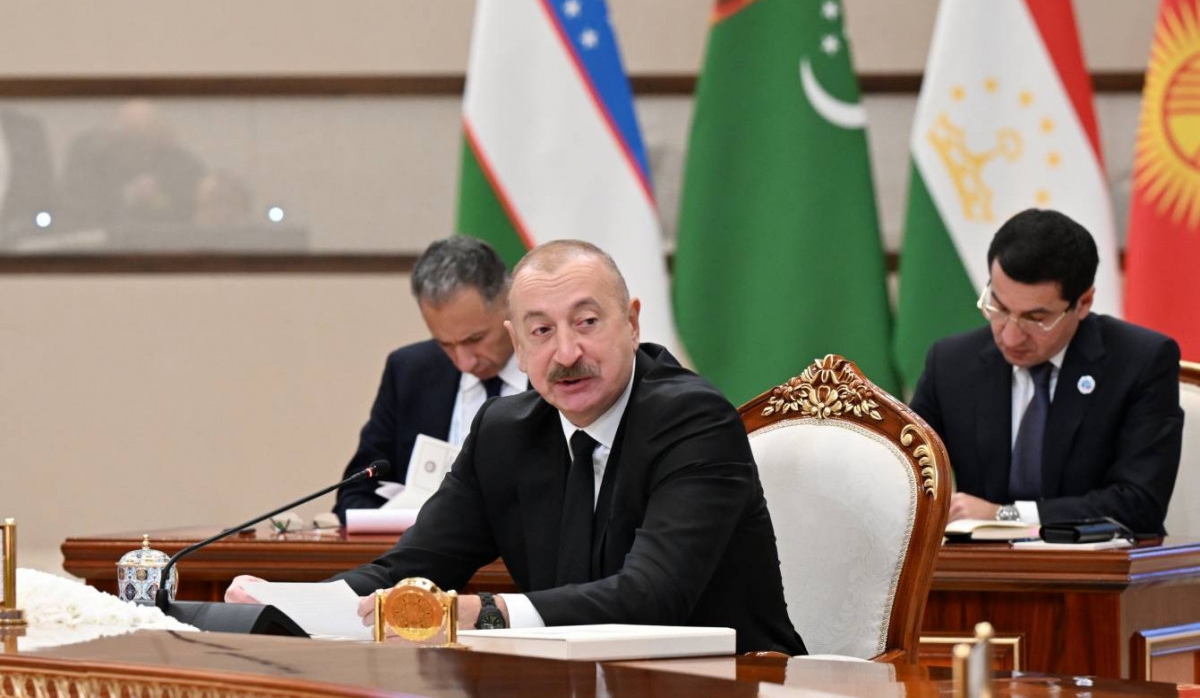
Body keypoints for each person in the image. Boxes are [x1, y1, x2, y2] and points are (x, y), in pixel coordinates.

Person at [231, 239, 805, 655]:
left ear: (632, 324)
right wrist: (290, 604)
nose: (566, 353)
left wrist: (485, 612)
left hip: (732, 681)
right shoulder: (504, 431)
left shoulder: (693, 419)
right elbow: (412, 566)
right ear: (519, 346)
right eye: (541, 332)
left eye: (587, 322)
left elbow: (652, 596)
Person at [909, 209, 1183, 535]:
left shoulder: (1140, 361)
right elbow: (902, 470)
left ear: (1083, 303)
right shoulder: (951, 363)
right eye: (999, 308)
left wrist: (1006, 515)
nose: (1011, 337)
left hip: (1091, 562)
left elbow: (1139, 504)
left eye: (1036, 319)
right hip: (978, 563)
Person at [332, 235, 525, 522]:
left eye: (475, 339)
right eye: (445, 344)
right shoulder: (409, 372)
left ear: (508, 300)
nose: (464, 362)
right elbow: (356, 493)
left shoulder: (554, 371)